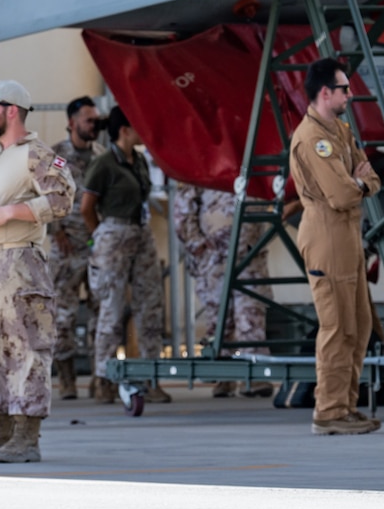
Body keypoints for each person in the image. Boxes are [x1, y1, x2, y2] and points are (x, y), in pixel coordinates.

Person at [0, 81, 76, 464]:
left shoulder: (37, 154)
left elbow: (62, 198)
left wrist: (14, 212)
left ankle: (27, 436)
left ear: (11, 110)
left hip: (19, 261)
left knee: (26, 347)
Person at [288, 58, 383, 435]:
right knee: (336, 326)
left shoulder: (340, 131)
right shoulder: (314, 138)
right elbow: (343, 194)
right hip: (326, 236)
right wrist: (358, 183)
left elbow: (371, 176)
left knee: (358, 326)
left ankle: (345, 405)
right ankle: (328, 411)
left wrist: (361, 182)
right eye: (344, 88)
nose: (350, 94)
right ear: (325, 92)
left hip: (347, 237)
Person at [82, 107, 169, 401]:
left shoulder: (139, 160)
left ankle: (151, 376)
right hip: (114, 234)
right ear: (124, 130)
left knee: (151, 306)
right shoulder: (104, 163)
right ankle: (104, 379)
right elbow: (86, 207)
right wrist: (99, 238)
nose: (142, 133)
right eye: (137, 127)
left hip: (140, 232)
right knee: (112, 309)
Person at [171, 180, 267, 394]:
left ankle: (257, 375)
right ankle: (225, 375)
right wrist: (197, 244)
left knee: (251, 316)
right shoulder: (207, 164)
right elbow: (184, 206)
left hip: (250, 252)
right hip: (215, 254)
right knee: (219, 318)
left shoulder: (251, 162)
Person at [48, 97, 101, 399]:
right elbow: (39, 192)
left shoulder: (103, 156)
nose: (93, 125)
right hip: (65, 247)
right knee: (62, 317)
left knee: (100, 313)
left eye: (95, 119)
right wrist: (55, 230)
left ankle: (99, 377)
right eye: (88, 119)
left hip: (95, 246)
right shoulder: (55, 156)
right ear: (72, 123)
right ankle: (67, 378)